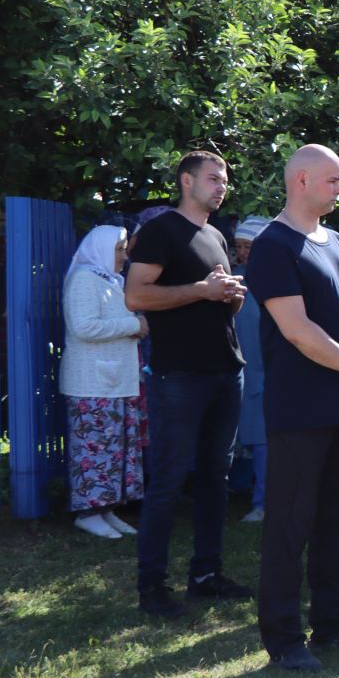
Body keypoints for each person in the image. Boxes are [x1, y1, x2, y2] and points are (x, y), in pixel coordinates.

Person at [244, 145, 339, 671]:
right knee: (290, 524)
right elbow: (297, 330)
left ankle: (332, 624)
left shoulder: (336, 242)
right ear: (301, 179)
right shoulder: (273, 246)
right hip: (301, 408)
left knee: (338, 520)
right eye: (332, 180)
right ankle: (283, 638)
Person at [125, 149, 250, 617]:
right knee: (170, 479)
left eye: (224, 180)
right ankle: (152, 587)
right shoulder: (161, 231)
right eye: (213, 179)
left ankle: (205, 575)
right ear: (186, 181)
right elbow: (135, 295)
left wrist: (230, 296)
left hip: (224, 370)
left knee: (215, 479)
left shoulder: (216, 235)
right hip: (179, 374)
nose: (221, 187)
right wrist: (202, 290)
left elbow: (214, 304)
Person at [62, 225, 149, 541]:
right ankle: (88, 512)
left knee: (116, 448)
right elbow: (83, 327)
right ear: (100, 249)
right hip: (92, 384)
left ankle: (107, 507)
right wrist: (133, 325)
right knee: (95, 447)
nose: (124, 257)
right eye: (119, 249)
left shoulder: (108, 280)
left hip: (113, 381)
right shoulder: (85, 279)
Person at [231, 216, 269, 522]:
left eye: (249, 246)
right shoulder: (235, 279)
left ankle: (264, 502)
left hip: (265, 370)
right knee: (242, 434)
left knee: (262, 439)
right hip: (239, 367)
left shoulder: (274, 281)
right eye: (239, 246)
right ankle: (239, 488)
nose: (242, 252)